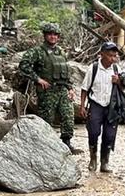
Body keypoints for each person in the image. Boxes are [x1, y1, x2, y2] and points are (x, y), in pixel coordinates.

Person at [19, 22, 80, 154]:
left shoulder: (61, 52)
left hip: (62, 89)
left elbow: (66, 71)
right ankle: (45, 146)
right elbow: (24, 65)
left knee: (68, 116)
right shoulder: (37, 51)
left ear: (58, 37)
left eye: (55, 35)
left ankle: (66, 143)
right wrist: (38, 79)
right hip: (47, 91)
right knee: (46, 119)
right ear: (45, 35)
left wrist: (70, 88)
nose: (53, 37)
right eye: (50, 34)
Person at [79, 41, 125, 172]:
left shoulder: (116, 69)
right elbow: (84, 88)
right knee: (93, 132)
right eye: (110, 55)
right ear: (101, 55)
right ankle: (93, 159)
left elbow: (124, 87)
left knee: (109, 135)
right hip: (96, 105)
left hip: (112, 106)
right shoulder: (93, 68)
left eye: (115, 56)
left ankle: (105, 162)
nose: (113, 58)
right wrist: (82, 107)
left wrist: (119, 81)